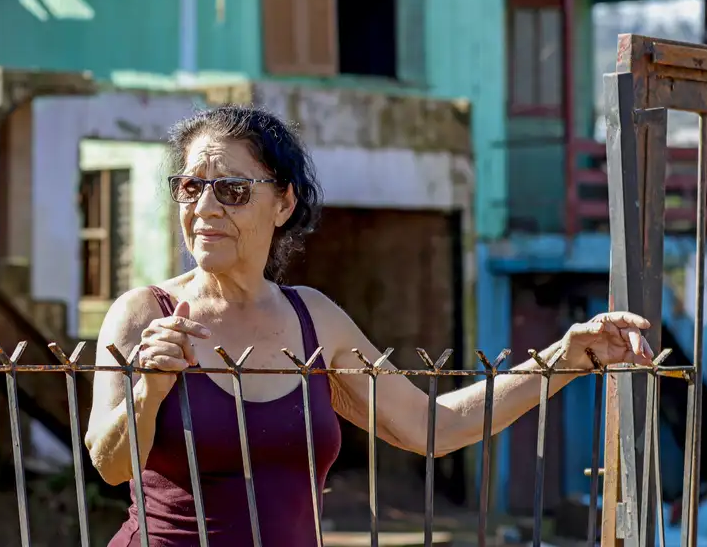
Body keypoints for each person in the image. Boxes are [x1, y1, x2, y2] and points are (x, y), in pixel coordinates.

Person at [85, 105, 653, 547]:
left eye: (232, 190)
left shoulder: (314, 318)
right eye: (191, 187)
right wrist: (147, 390)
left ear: (283, 204)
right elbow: (109, 467)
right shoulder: (142, 314)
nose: (205, 208)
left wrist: (566, 359)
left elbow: (431, 427)